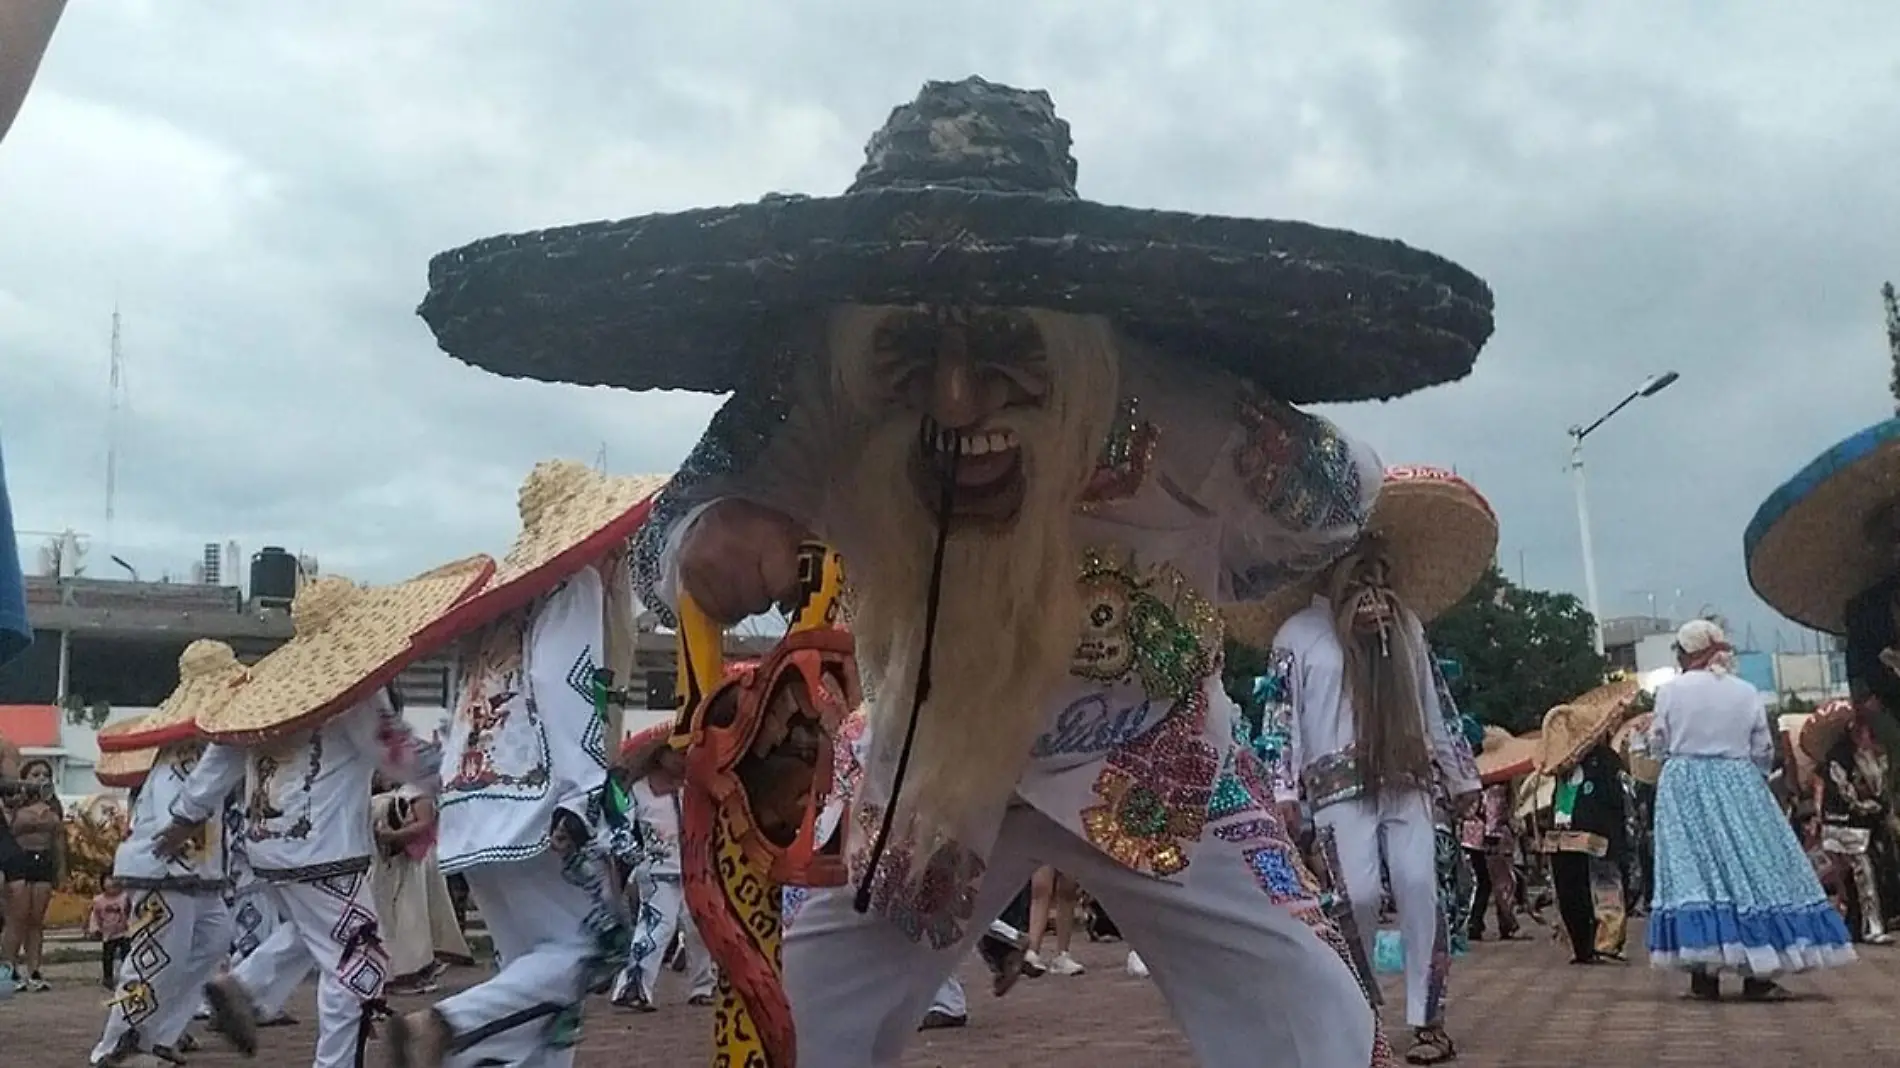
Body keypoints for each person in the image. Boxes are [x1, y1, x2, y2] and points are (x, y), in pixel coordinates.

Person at [421, 76, 1495, 1068]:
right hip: (919, 772)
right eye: (910, 353)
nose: (951, 400)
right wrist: (710, 538)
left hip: (1156, 762)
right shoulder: (815, 388)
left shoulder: (1185, 401)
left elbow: (1341, 496)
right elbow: (664, 540)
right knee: (801, 1021)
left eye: (1000, 349)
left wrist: (1222, 520)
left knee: (1312, 1021)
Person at [386, 462, 659, 1068]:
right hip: (537, 807)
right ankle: (448, 1024)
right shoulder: (577, 583)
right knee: (596, 945)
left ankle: (470, 1051)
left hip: (476, 805)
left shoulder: (506, 608)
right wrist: (586, 792)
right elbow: (563, 680)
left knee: (534, 981)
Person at [163, 562, 485, 1068]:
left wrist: (186, 813)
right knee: (357, 960)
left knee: (317, 934)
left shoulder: (263, 687)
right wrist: (462, 779)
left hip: (270, 845)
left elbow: (224, 750)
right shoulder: (353, 688)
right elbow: (393, 750)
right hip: (325, 851)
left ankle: (245, 985)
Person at [1262, 465, 1493, 1065]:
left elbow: (1435, 705)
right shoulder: (1298, 634)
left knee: (1422, 888)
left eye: (1379, 567)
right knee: (1355, 895)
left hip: (1407, 780)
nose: (1370, 580)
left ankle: (1428, 1020)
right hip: (1336, 790)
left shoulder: (1408, 628)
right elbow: (1280, 720)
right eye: (1356, 564)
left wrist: (1463, 777)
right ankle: (1360, 1015)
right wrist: (1284, 792)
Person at [1646, 620, 1856, 1000]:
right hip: (1739, 780)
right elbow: (1762, 748)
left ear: (1686, 653)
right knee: (1753, 867)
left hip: (1685, 783)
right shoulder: (1745, 692)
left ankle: (1704, 975)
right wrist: (1744, 775)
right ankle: (1758, 972)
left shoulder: (1670, 691)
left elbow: (1658, 743)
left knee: (1696, 871)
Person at [89, 650, 251, 1068]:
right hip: (166, 865)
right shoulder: (194, 747)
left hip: (193, 868)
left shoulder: (195, 742)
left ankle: (159, 1034)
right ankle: (117, 1047)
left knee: (211, 942)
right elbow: (191, 803)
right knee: (156, 958)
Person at [611, 743, 716, 1011]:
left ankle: (703, 986)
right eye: (676, 753)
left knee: (700, 929)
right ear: (659, 755)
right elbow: (621, 831)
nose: (681, 758)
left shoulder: (694, 788)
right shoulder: (639, 790)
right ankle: (633, 987)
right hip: (658, 874)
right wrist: (639, 858)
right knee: (657, 927)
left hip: (696, 871)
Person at [1531, 686, 1630, 966]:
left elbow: (1613, 801)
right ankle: (1587, 945)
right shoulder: (1563, 763)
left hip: (1586, 832)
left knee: (1592, 888)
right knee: (1576, 890)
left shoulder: (1600, 760)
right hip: (1571, 833)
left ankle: (1598, 944)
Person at [1806, 698, 1900, 945]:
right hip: (1844, 825)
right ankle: (1869, 927)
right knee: (1861, 875)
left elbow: (1880, 787)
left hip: (1864, 824)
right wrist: (1866, 805)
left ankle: (1858, 925)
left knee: (1865, 876)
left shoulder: (1872, 755)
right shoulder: (1839, 758)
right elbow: (1844, 793)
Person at [1, 757, 63, 991]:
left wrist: (61, 868)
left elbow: (59, 840)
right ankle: (9, 968)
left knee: (36, 920)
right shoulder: (13, 803)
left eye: (45, 775)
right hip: (19, 859)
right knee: (16, 918)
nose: (41, 779)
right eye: (35, 775)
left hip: (43, 860)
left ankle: (34, 970)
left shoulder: (53, 806)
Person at [89, 877, 133, 989]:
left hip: (124, 932)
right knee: (108, 956)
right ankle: (108, 977)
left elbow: (131, 911)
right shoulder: (98, 900)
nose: (112, 887)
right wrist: (95, 929)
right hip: (108, 934)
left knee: (126, 954)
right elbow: (94, 915)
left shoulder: (125, 897)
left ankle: (128, 975)